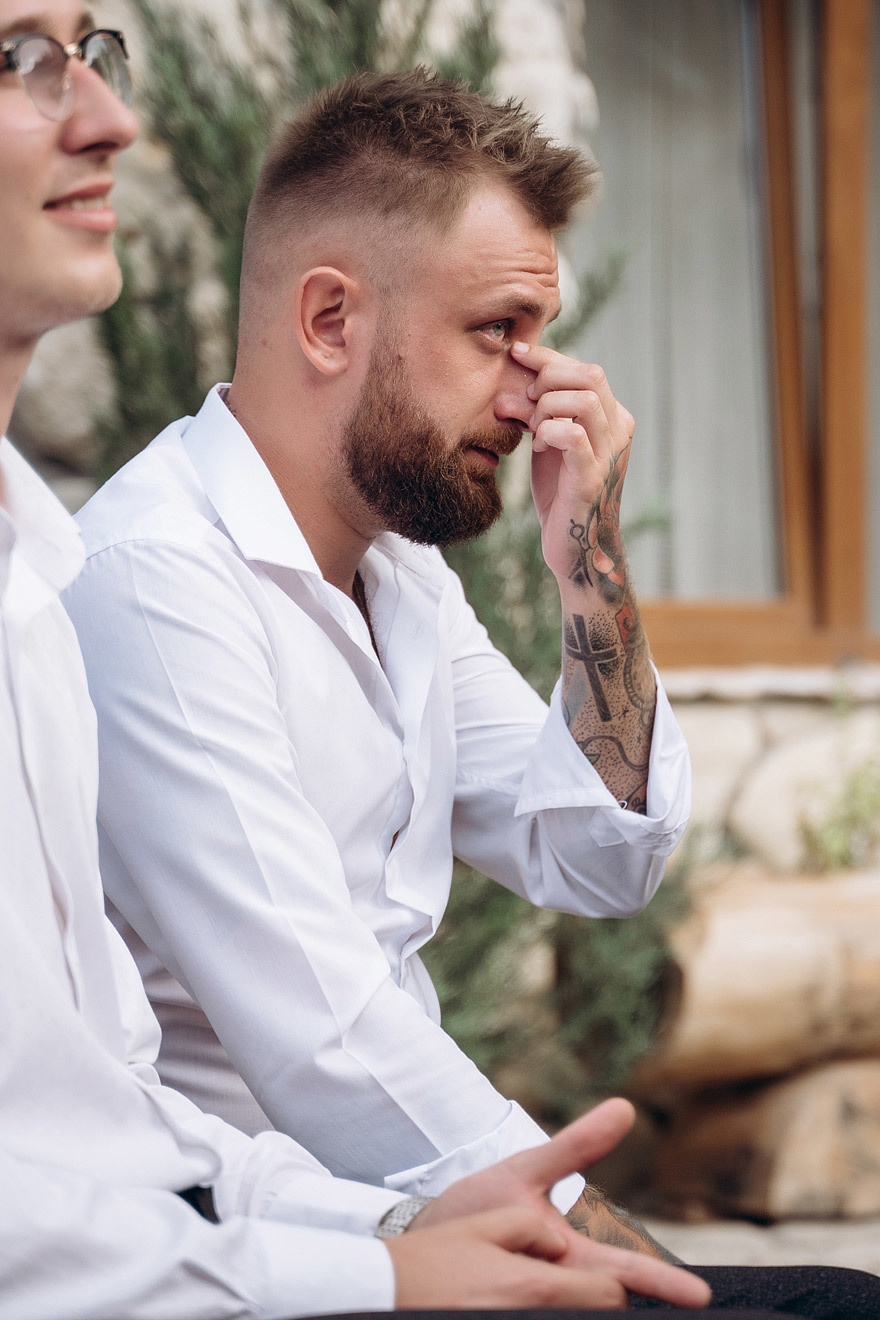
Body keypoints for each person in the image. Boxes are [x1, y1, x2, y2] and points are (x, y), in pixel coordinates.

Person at [0, 2, 721, 1313]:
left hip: (390, 1225)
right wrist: (607, 1250)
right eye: (498, 331)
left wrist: (592, 571)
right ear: (330, 321)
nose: (535, 387)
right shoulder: (152, 582)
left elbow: (600, 855)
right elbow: (332, 1050)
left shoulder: (400, 574)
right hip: (289, 1265)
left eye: (540, 334)